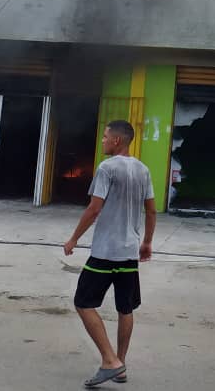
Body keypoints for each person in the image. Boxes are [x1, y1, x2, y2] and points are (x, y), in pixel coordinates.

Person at [64, 120, 156, 388]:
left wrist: (73, 238)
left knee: (83, 302)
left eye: (105, 137)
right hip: (129, 252)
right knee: (125, 308)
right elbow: (151, 210)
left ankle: (109, 360)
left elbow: (94, 209)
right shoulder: (143, 170)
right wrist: (147, 242)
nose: (102, 141)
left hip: (105, 252)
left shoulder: (107, 168)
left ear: (117, 141)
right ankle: (121, 365)